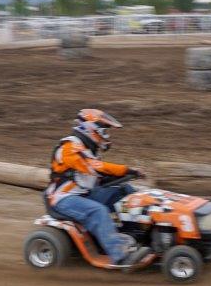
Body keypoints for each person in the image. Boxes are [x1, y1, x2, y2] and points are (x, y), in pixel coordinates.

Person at [45, 109, 150, 267]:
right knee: (99, 211)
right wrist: (126, 170)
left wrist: (123, 177)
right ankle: (120, 254)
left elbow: (98, 177)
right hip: (63, 199)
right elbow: (94, 167)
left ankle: (136, 234)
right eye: (105, 131)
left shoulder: (88, 150)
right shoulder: (69, 147)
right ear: (92, 129)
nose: (106, 135)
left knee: (125, 192)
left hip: (84, 194)